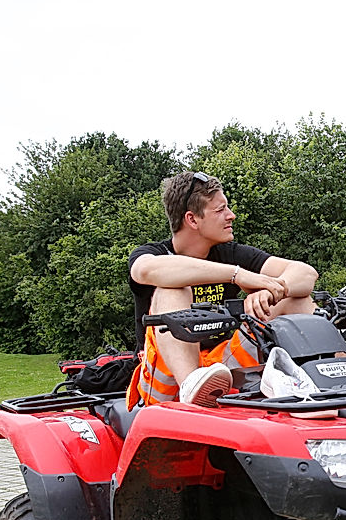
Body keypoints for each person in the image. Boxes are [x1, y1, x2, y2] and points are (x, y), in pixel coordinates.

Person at [127, 171, 318, 407]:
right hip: (163, 380)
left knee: (295, 300)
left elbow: (306, 273)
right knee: (172, 289)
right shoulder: (153, 254)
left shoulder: (229, 252)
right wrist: (238, 275)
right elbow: (144, 271)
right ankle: (191, 385)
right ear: (192, 219)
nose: (231, 216)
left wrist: (270, 291)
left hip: (220, 371)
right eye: (220, 210)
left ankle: (334, 381)